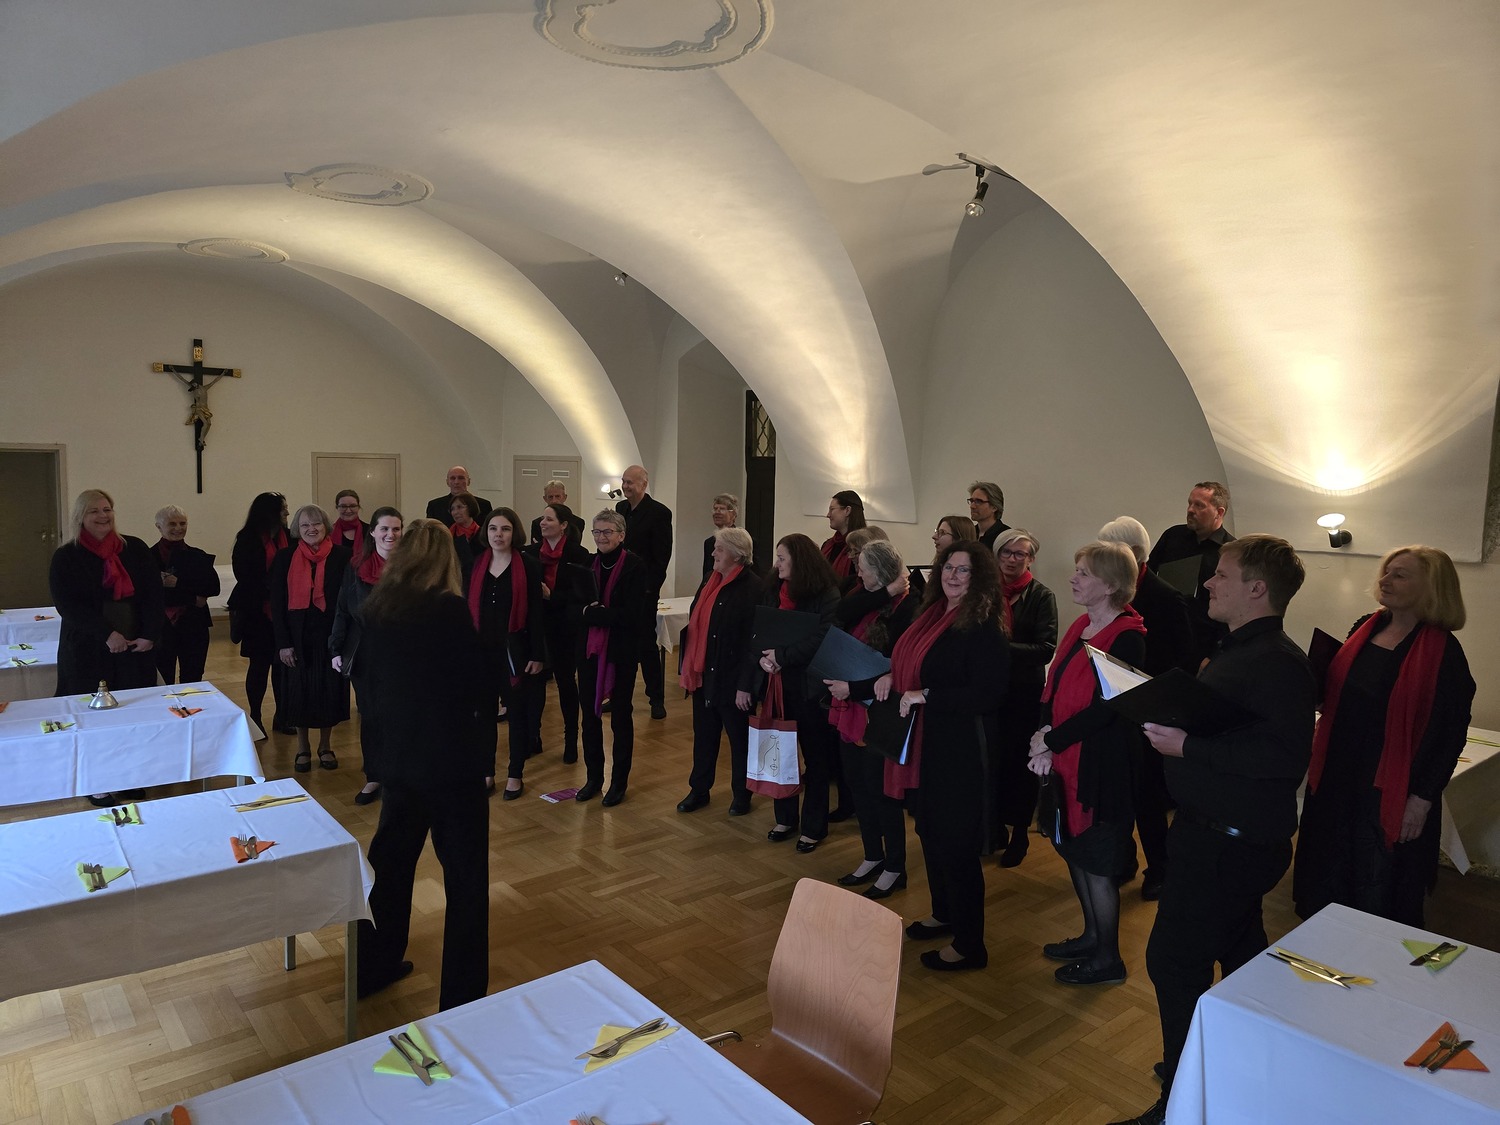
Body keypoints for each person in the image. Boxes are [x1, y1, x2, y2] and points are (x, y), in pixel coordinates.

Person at [1115, 536, 1314, 1125]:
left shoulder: (1277, 661)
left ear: (1257, 589)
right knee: (1240, 954)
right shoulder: (1241, 649)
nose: (1207, 582)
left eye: (1222, 575)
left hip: (1230, 842)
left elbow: (1284, 758)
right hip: (1213, 834)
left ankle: (1182, 1103)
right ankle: (1233, 1067)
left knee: (1174, 963)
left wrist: (1188, 746)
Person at [1292, 545, 1474, 927]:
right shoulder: (1366, 625)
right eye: (1386, 571)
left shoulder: (1445, 653)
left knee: (1378, 888)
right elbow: (1344, 694)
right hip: (1339, 776)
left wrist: (1421, 801)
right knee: (1327, 875)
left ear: (1431, 587)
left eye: (1400, 575)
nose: (1385, 580)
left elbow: (1450, 735)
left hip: (1390, 788)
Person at [352, 519, 490, 1011]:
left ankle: (374, 966)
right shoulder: (449, 610)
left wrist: (381, 756)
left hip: (401, 764)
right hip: (451, 766)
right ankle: (462, 995)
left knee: (390, 868)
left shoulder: (379, 609)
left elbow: (368, 690)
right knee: (466, 880)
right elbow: (475, 689)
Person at [887, 542, 1010, 971]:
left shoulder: (984, 625)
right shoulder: (935, 613)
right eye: (948, 567)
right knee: (930, 831)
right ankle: (945, 913)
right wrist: (890, 676)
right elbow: (912, 663)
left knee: (956, 844)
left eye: (964, 570)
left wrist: (928, 694)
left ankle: (970, 945)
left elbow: (989, 694)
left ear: (980, 578)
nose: (953, 576)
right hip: (928, 743)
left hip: (961, 749)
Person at [1028, 541, 1145, 986]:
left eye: (1084, 573)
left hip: (1101, 767)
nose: (1073, 578)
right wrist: (1043, 734)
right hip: (1066, 757)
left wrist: (1050, 740)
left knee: (1097, 863)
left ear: (1111, 585)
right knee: (1073, 850)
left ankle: (1108, 959)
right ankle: (1092, 936)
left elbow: (1107, 709)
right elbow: (1053, 685)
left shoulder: (1129, 637)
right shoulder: (1082, 624)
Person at [1098, 515, 1195, 900]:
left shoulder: (1165, 597)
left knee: (1148, 797)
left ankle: (1160, 868)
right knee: (1118, 791)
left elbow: (1181, 662)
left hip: (1149, 710)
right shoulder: (1113, 590)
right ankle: (1123, 860)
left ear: (1135, 554)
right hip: (1117, 707)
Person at [50, 489, 165, 799]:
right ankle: (97, 782)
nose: (103, 516)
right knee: (92, 718)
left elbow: (154, 595)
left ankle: (128, 776)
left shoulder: (135, 548)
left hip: (133, 648)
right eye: (94, 511)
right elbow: (68, 606)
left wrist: (150, 634)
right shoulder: (66, 556)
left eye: (107, 509)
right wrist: (106, 633)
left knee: (130, 714)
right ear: (80, 517)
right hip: (87, 649)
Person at [825, 540, 918, 899]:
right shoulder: (867, 597)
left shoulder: (909, 606)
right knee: (857, 786)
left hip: (879, 709)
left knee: (882, 792)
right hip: (851, 706)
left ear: (879, 571)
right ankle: (872, 855)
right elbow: (840, 613)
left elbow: (897, 667)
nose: (858, 572)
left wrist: (852, 687)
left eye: (863, 567)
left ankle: (895, 866)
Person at [757, 533, 840, 851]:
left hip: (809, 686)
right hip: (776, 682)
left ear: (799, 561)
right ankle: (785, 817)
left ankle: (814, 827)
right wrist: (764, 658)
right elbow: (761, 626)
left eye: (782, 558)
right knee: (781, 752)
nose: (776, 564)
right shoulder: (773, 588)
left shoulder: (825, 592)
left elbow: (824, 636)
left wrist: (782, 656)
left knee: (816, 759)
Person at [677, 527, 764, 815]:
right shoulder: (710, 579)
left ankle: (742, 794)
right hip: (704, 674)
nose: (713, 553)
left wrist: (745, 685)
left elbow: (754, 642)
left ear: (737, 555)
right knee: (704, 737)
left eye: (720, 549)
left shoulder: (753, 588)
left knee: (739, 741)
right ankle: (699, 790)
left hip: (732, 679)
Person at [575, 510, 654, 805]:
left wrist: (593, 614)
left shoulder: (635, 566)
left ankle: (618, 782)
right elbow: (574, 607)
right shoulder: (587, 564)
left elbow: (632, 616)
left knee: (620, 717)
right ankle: (593, 778)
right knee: (589, 717)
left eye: (607, 532)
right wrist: (591, 613)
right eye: (597, 532)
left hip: (621, 652)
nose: (601, 537)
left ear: (621, 535)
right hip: (590, 651)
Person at [467, 507, 546, 800]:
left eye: (505, 529)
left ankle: (515, 773)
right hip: (481, 653)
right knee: (483, 715)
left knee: (517, 714)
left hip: (516, 652)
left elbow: (536, 613)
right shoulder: (476, 564)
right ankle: (487, 772)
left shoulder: (528, 565)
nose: (498, 534)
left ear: (515, 533)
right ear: (486, 532)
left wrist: (537, 654)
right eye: (493, 529)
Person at [990, 529, 1057, 868]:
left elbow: (1045, 648)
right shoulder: (986, 592)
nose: (1012, 559)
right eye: (1007, 552)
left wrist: (999, 648)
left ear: (1031, 559)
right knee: (994, 760)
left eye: (1020, 554)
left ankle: (1019, 834)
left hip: (1025, 694)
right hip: (991, 691)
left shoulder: (1042, 595)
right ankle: (995, 827)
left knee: (1020, 766)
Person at [269, 503, 351, 772]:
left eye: (316, 523)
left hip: (331, 637)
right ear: (297, 529)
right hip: (297, 638)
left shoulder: (342, 556)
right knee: (299, 693)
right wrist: (283, 644)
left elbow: (348, 601)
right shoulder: (285, 557)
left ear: (325, 526)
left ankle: (325, 746)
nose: (311, 529)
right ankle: (302, 747)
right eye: (305, 525)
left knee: (329, 693)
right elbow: (277, 604)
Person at [330, 505, 402, 805]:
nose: (390, 534)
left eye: (396, 529)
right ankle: (373, 776)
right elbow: (343, 608)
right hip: (366, 652)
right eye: (384, 529)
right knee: (371, 716)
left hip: (402, 653)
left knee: (399, 715)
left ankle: (398, 776)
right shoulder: (356, 565)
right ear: (372, 532)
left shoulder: (412, 566)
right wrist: (336, 647)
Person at [527, 501, 591, 764]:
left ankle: (570, 740)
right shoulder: (530, 553)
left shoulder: (579, 554)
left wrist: (551, 595)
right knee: (535, 684)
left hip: (566, 627)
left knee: (565, 682)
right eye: (542, 519)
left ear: (564, 525)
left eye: (549, 519)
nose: (543, 523)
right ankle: (533, 737)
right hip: (538, 626)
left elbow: (581, 596)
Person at [1146, 481, 1234, 665]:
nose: (1190, 510)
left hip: (1198, 645)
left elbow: (1232, 607)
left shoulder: (1231, 552)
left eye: (1199, 505)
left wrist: (1213, 655)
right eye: (1190, 503)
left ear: (1219, 512)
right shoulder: (1172, 536)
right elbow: (1147, 577)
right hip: (1158, 634)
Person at [227, 492, 289, 733]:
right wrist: (270, 590)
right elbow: (244, 574)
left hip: (282, 610)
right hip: (257, 611)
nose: (286, 513)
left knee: (283, 666)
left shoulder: (288, 536)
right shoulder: (247, 538)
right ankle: (255, 715)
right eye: (282, 509)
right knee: (259, 666)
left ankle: (282, 715)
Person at [616, 465, 673, 720]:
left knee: (646, 644)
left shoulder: (659, 512)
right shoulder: (620, 509)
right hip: (620, 587)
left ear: (643, 484)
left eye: (630, 482)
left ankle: (656, 699)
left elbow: (662, 556)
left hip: (644, 590)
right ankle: (618, 695)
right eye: (624, 481)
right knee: (620, 643)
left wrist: (650, 588)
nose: (625, 486)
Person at [150, 504, 219, 686]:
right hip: (161, 627)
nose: (178, 528)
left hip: (194, 626)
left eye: (182, 523)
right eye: (172, 524)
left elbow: (213, 588)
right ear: (159, 526)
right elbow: (153, 596)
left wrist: (178, 583)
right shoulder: (148, 557)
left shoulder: (198, 555)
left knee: (193, 678)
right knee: (163, 679)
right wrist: (193, 597)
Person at [819, 490, 866, 581]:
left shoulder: (864, 547)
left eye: (832, 509)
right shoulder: (828, 545)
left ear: (847, 510)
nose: (828, 515)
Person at [425, 465, 492, 527]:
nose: (456, 482)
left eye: (461, 478)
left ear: (468, 481)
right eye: (452, 478)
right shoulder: (435, 506)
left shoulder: (484, 505)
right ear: (447, 482)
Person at [529, 479, 585, 545]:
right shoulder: (537, 524)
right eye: (550, 497)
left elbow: (575, 547)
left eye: (557, 496)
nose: (554, 501)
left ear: (564, 497)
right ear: (545, 499)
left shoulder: (578, 522)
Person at [700, 492, 740, 579]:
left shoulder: (741, 541)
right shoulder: (709, 542)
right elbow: (707, 574)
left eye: (722, 509)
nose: (717, 512)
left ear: (733, 514)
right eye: (715, 509)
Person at [967, 481, 1010, 551]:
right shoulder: (968, 534)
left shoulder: (1006, 537)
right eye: (971, 501)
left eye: (978, 501)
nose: (972, 506)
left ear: (994, 507)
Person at [447, 492, 484, 572]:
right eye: (452, 509)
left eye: (459, 507)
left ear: (471, 507)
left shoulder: (483, 535)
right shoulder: (448, 535)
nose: (455, 512)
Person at [331, 489, 366, 556]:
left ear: (358, 507)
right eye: (343, 506)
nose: (348, 511)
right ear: (337, 508)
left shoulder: (370, 531)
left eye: (352, 506)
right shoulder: (328, 532)